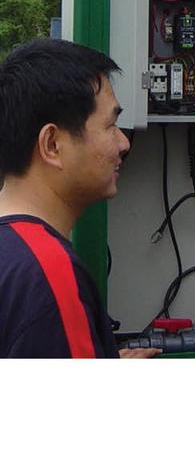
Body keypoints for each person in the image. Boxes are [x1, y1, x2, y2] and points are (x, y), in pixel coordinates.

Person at [0, 38, 156, 358]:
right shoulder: (47, 271)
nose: (124, 143)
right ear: (53, 145)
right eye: (111, 124)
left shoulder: (13, 254)